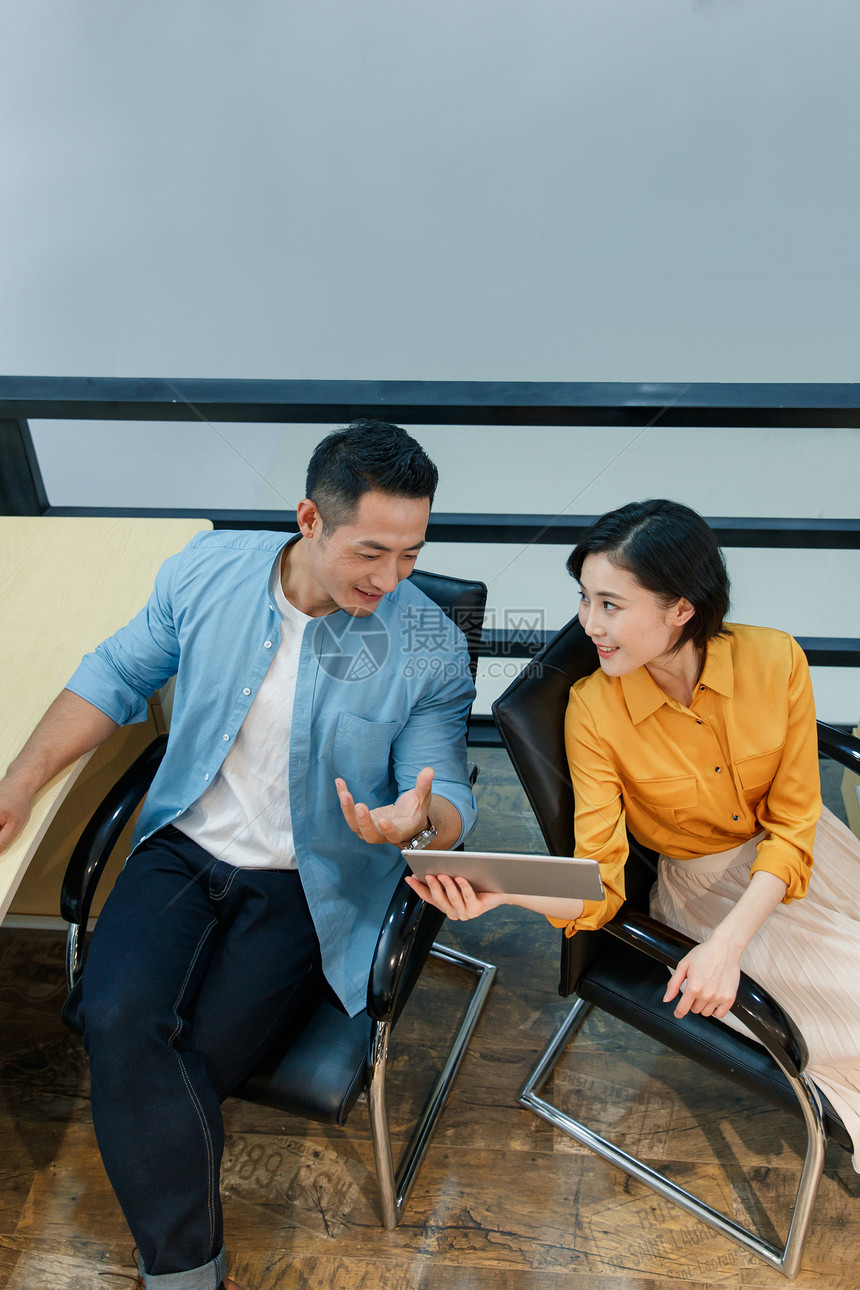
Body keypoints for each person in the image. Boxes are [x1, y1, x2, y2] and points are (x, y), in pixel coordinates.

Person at [0, 419, 478, 1290]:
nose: (391, 578)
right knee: (117, 1021)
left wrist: (416, 823)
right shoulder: (204, 572)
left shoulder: (428, 643)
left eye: (412, 553)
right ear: (309, 519)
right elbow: (114, 674)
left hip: (311, 879)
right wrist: (20, 783)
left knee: (189, 1063)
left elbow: (443, 791)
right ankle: (189, 1275)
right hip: (184, 846)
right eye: (371, 552)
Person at [409, 498, 860, 1170]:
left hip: (806, 857)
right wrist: (503, 895)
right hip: (704, 891)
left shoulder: (776, 661)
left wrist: (729, 949)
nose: (589, 624)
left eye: (610, 605)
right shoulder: (593, 711)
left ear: (681, 608)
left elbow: (795, 824)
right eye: (584, 599)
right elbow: (599, 884)